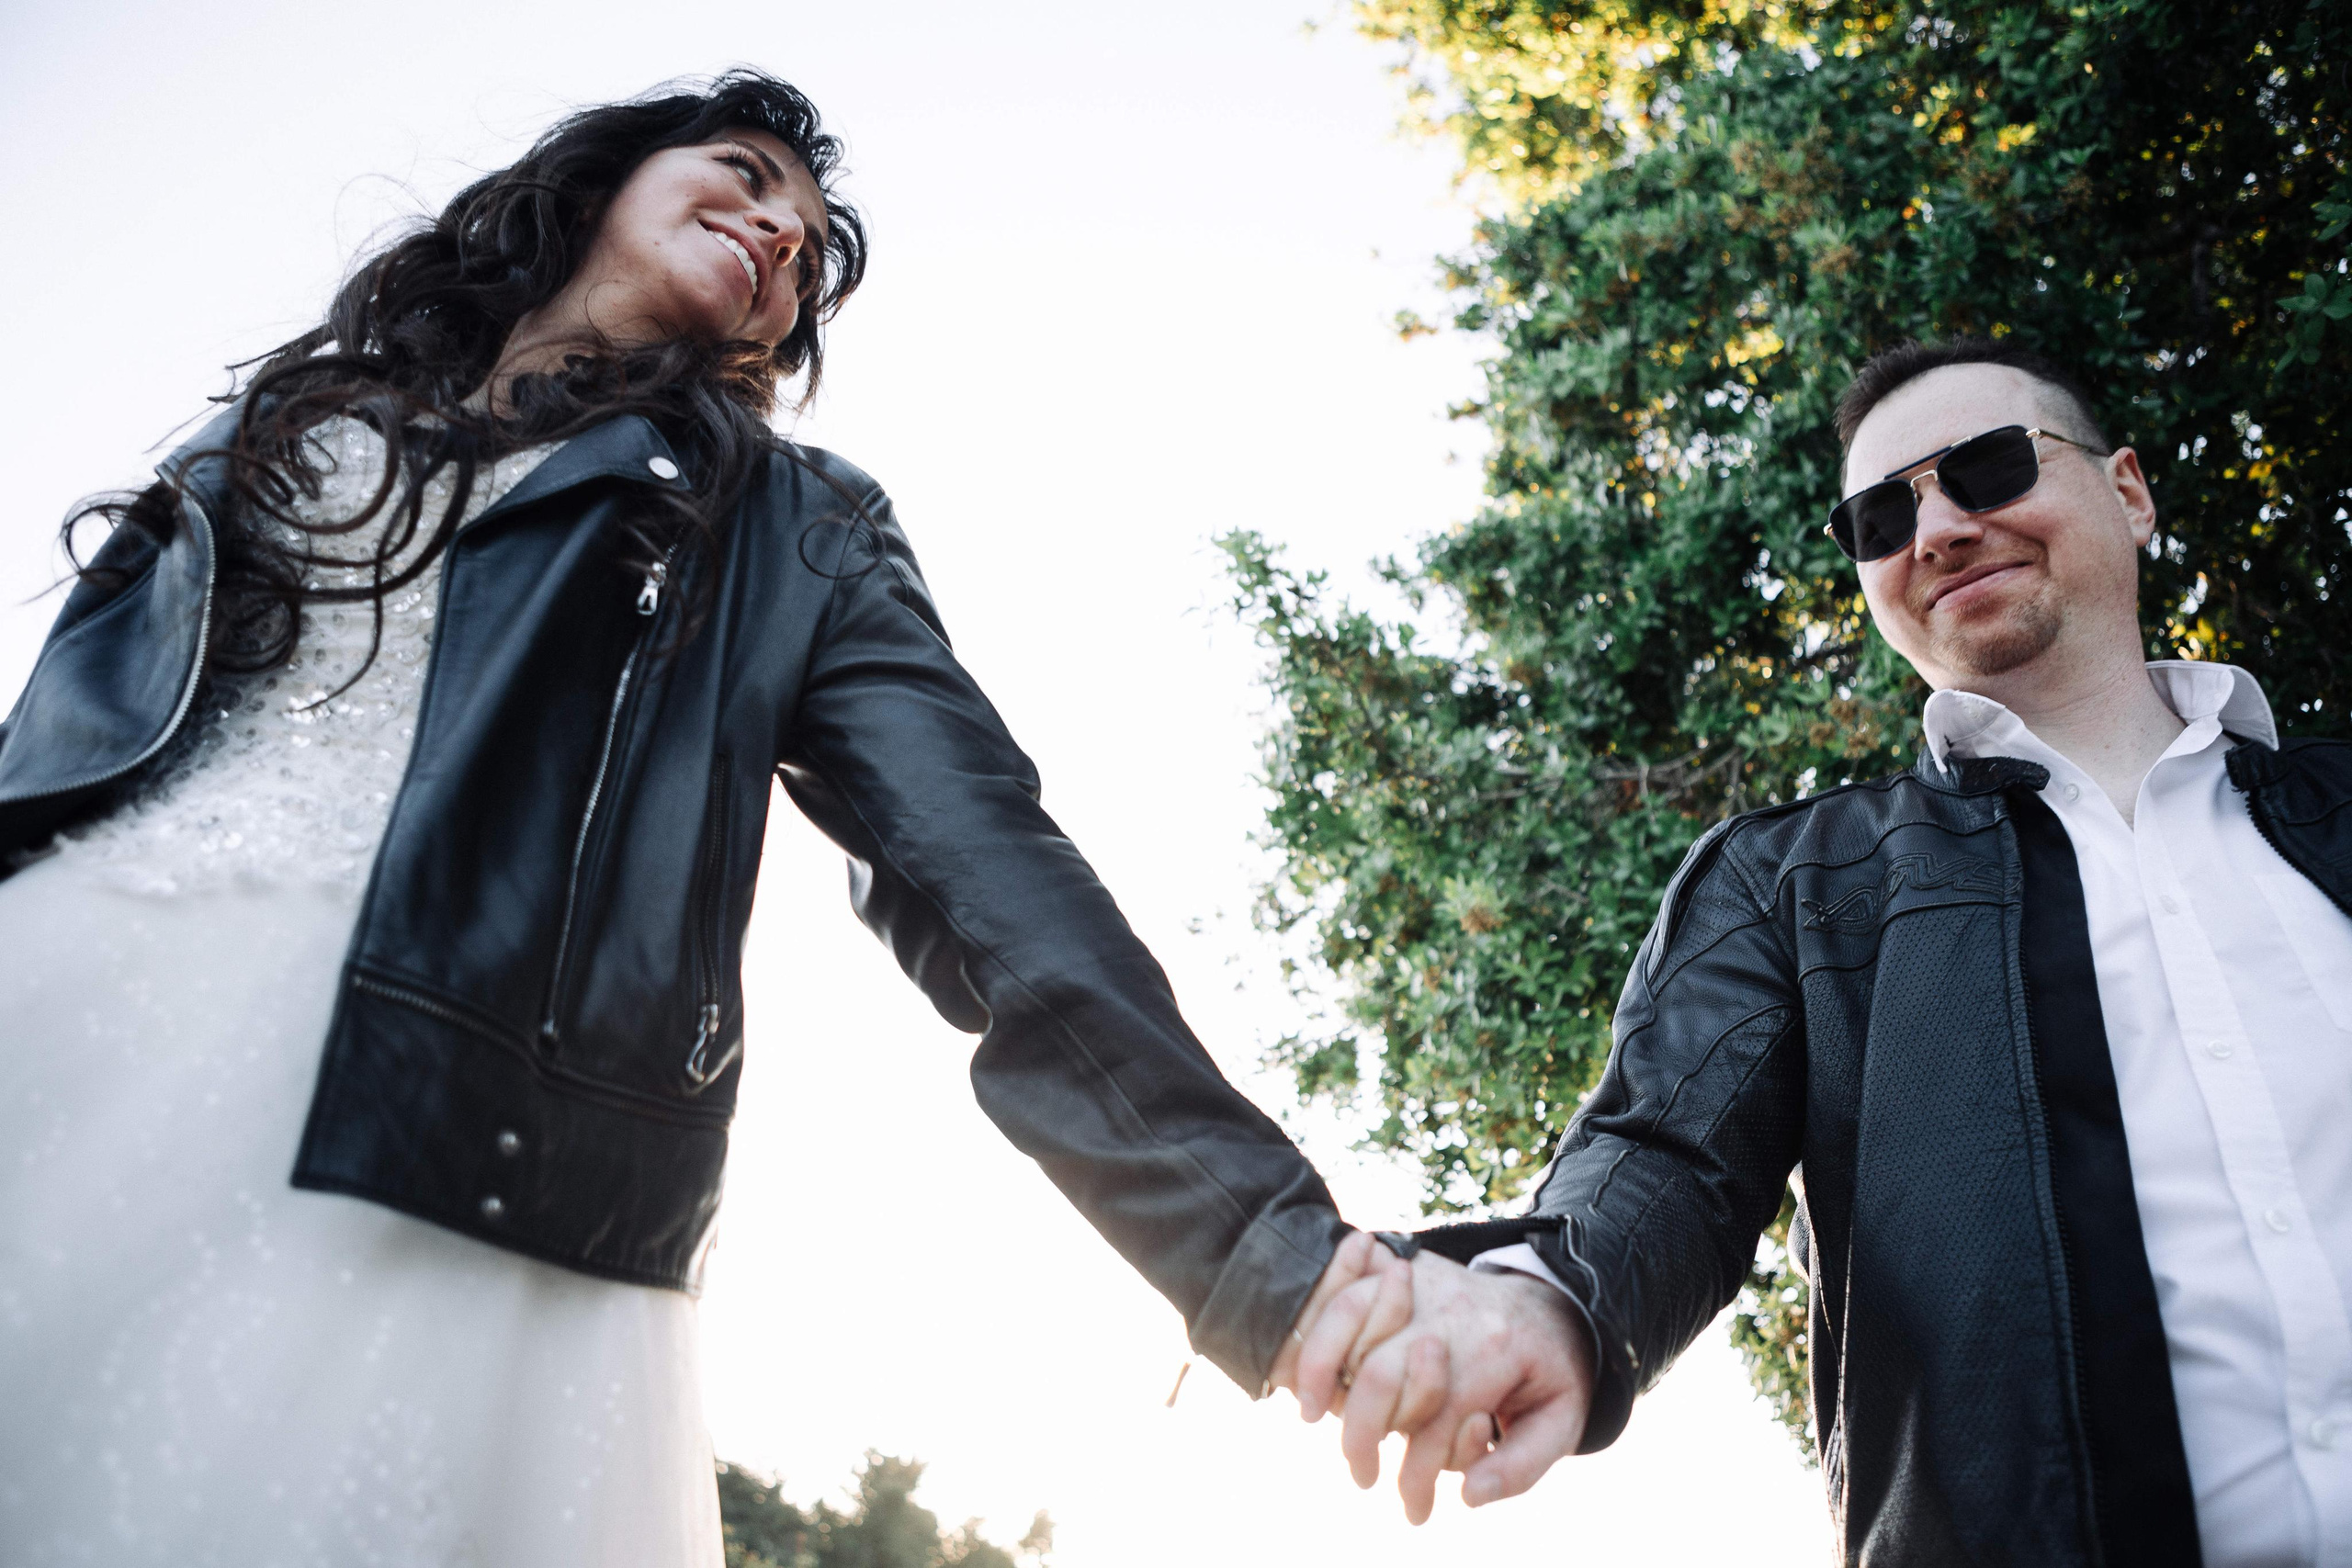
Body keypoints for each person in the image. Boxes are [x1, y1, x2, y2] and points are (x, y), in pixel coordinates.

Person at [0, 70, 1396, 1563]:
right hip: (61, 1007)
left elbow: (986, 875)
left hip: (429, 1135)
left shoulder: (794, 529)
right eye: (743, 174)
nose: (779, 234)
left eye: (805, 247)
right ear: (601, 179)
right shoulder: (276, 425)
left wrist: (1265, 1253)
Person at [1284, 336, 2352, 1564]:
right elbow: (1668, 1152)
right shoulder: (1795, 886)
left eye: (1990, 468)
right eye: (1881, 514)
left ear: (2127, 490)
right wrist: (1553, 1298)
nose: (1939, 528)